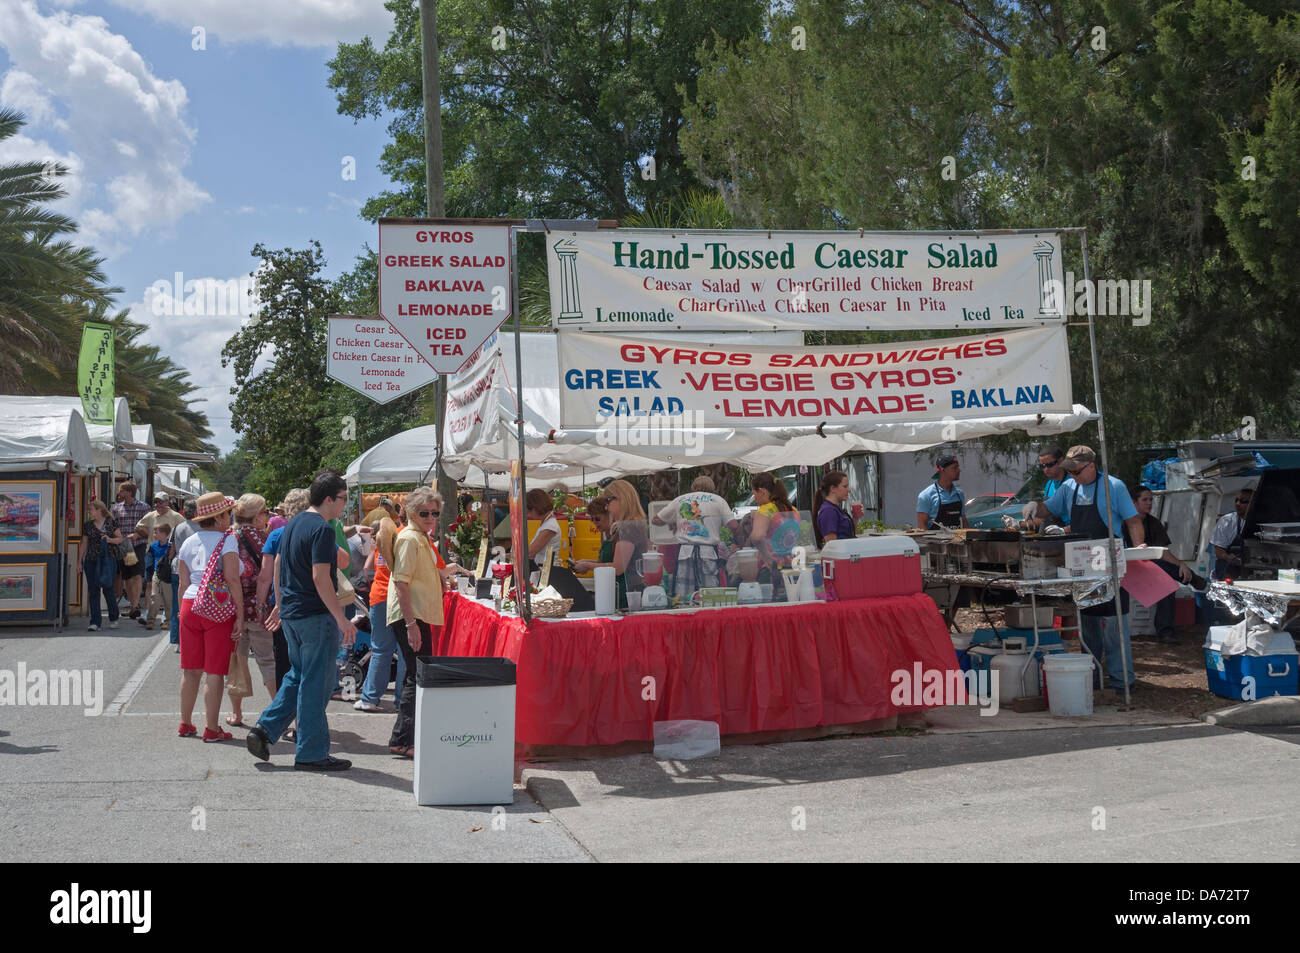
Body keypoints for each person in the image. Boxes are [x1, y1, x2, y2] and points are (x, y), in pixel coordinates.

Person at [246, 470, 356, 771]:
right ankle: (310, 752)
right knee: (315, 683)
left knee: (298, 676)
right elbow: (321, 578)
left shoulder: (292, 524)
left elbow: (280, 566)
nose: (344, 505)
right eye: (343, 499)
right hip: (314, 615)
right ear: (330, 499)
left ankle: (264, 729)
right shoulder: (321, 529)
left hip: (293, 614)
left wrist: (281, 605)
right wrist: (342, 619)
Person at [1034, 445, 1144, 691]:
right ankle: (1091, 678)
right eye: (1070, 472)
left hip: (1110, 564)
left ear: (1092, 465)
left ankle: (1121, 681)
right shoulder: (1069, 488)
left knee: (1114, 625)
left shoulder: (1113, 487)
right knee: (1088, 625)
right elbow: (1048, 509)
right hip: (1081, 564)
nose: (1073, 476)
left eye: (1077, 471)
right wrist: (1034, 508)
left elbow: (1133, 520)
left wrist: (1139, 549)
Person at [176, 492, 243, 742]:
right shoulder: (227, 541)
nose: (230, 517)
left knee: (190, 669)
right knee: (214, 671)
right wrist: (240, 613)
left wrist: (180, 612)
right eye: (227, 513)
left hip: (189, 604)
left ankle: (185, 723)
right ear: (217, 518)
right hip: (217, 606)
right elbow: (232, 578)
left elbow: (183, 583)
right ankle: (211, 728)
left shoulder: (188, 542)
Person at [386, 486, 446, 758]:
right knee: (416, 676)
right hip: (411, 615)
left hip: (416, 614)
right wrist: (411, 624)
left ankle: (404, 738)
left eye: (435, 513)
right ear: (411, 512)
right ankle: (402, 740)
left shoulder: (419, 537)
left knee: (416, 674)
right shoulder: (410, 538)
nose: (431, 517)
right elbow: (401, 583)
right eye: (425, 513)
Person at [226, 494, 277, 727]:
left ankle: (236, 714)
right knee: (268, 661)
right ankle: (281, 714)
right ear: (257, 516)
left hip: (234, 610)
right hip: (261, 608)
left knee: (237, 661)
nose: (267, 516)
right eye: (266, 512)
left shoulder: (229, 538)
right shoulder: (267, 538)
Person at [1126, 485, 1196, 645]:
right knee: (1161, 568)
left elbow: (1164, 552)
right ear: (1134, 503)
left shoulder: (1153, 522)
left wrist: (1181, 565)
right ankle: (1190, 578)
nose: (1149, 503)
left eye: (1151, 499)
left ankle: (1165, 633)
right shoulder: (1124, 522)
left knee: (1167, 584)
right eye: (1145, 500)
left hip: (1148, 568)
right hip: (1128, 568)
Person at [258, 488, 308, 692]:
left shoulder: (277, 535)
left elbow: (265, 575)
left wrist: (263, 604)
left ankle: (286, 713)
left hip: (281, 604)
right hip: (309, 603)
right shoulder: (316, 531)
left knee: (284, 661)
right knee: (307, 662)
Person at [652, 475, 736, 597]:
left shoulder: (680, 500)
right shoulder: (719, 500)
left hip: (685, 552)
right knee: (710, 595)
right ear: (712, 489)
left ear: (693, 488)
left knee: (683, 595)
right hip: (708, 553)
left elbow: (656, 520)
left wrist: (673, 521)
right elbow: (733, 525)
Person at [354, 517, 404, 713]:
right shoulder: (407, 538)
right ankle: (402, 701)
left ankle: (369, 698)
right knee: (404, 652)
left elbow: (368, 569)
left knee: (380, 650)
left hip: (379, 596)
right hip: (398, 597)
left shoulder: (384, 540)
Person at [574, 479, 648, 610]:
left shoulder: (629, 526)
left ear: (620, 498)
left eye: (608, 502)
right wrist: (587, 563)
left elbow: (618, 567)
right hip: (627, 591)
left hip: (626, 595)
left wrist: (588, 565)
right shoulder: (630, 525)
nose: (606, 507)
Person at [135, 493, 184, 627]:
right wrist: (149, 535)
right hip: (152, 552)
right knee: (150, 583)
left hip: (168, 556)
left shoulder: (175, 517)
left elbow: (184, 531)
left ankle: (165, 615)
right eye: (155, 502)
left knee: (167, 587)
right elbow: (138, 526)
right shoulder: (151, 515)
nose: (157, 505)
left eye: (160, 502)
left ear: (167, 502)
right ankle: (148, 613)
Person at [749, 471, 800, 581]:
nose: (755, 499)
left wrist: (766, 556)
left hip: (771, 569)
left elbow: (757, 536)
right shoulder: (793, 510)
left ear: (762, 492)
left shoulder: (765, 510)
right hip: (792, 565)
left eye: (755, 494)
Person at [82, 500, 124, 631]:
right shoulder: (88, 525)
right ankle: (95, 622)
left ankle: (113, 617)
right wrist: (79, 561)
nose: (89, 512)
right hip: (91, 560)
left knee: (108, 588)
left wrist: (109, 539)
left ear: (99, 510)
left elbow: (120, 539)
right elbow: (84, 543)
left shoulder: (111, 523)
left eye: (91, 509)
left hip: (107, 560)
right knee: (93, 590)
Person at [112, 481, 149, 619]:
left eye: (121, 490)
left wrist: (137, 535)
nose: (119, 493)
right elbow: (113, 526)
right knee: (127, 576)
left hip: (138, 544)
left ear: (129, 492)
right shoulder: (116, 508)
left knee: (137, 575)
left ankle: (134, 605)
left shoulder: (143, 507)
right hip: (124, 546)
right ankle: (133, 605)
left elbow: (148, 527)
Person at [168, 499, 199, 652]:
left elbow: (172, 548)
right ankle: (192, 638)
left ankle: (178, 640)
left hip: (177, 566)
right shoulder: (200, 528)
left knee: (177, 605)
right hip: (193, 569)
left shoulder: (177, 527)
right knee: (194, 606)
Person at [916, 453, 968, 529]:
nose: (959, 470)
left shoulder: (959, 494)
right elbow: (921, 526)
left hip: (957, 540)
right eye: (955, 468)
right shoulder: (926, 496)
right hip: (935, 541)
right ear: (942, 469)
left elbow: (963, 521)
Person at [1211, 487, 1253, 581]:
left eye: (1243, 501)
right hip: (1230, 570)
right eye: (1236, 500)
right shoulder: (1227, 521)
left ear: (1253, 503)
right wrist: (1228, 557)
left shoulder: (1261, 521)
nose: (1238, 504)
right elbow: (1218, 550)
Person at [141, 524, 173, 631]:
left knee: (168, 600)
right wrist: (148, 577)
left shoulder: (171, 546)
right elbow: (149, 562)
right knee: (155, 598)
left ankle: (168, 622)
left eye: (156, 532)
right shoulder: (153, 546)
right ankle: (150, 621)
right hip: (156, 574)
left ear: (164, 533)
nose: (154, 534)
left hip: (167, 575)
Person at [813, 469, 855, 548]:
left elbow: (849, 535)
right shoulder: (829, 511)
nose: (848, 490)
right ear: (833, 489)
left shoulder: (834, 508)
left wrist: (856, 518)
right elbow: (832, 545)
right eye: (845, 486)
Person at [525, 488, 562, 571]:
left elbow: (530, 552)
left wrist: (504, 556)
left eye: (529, 509)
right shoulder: (546, 523)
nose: (528, 513)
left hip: (546, 572)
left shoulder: (550, 526)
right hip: (542, 569)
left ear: (536, 507)